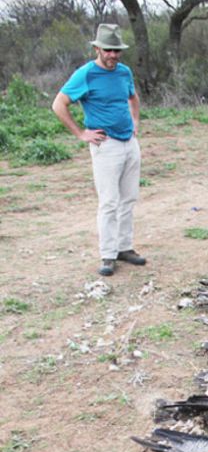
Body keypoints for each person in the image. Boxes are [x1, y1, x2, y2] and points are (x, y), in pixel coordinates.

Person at [52, 23, 146, 277]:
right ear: (97, 48)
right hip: (106, 145)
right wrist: (81, 133)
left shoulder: (124, 72)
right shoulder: (85, 74)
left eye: (117, 50)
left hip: (129, 142)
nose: (113, 55)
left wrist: (135, 122)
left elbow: (132, 97)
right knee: (109, 202)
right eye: (108, 50)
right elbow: (59, 104)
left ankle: (124, 248)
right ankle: (108, 254)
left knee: (129, 198)